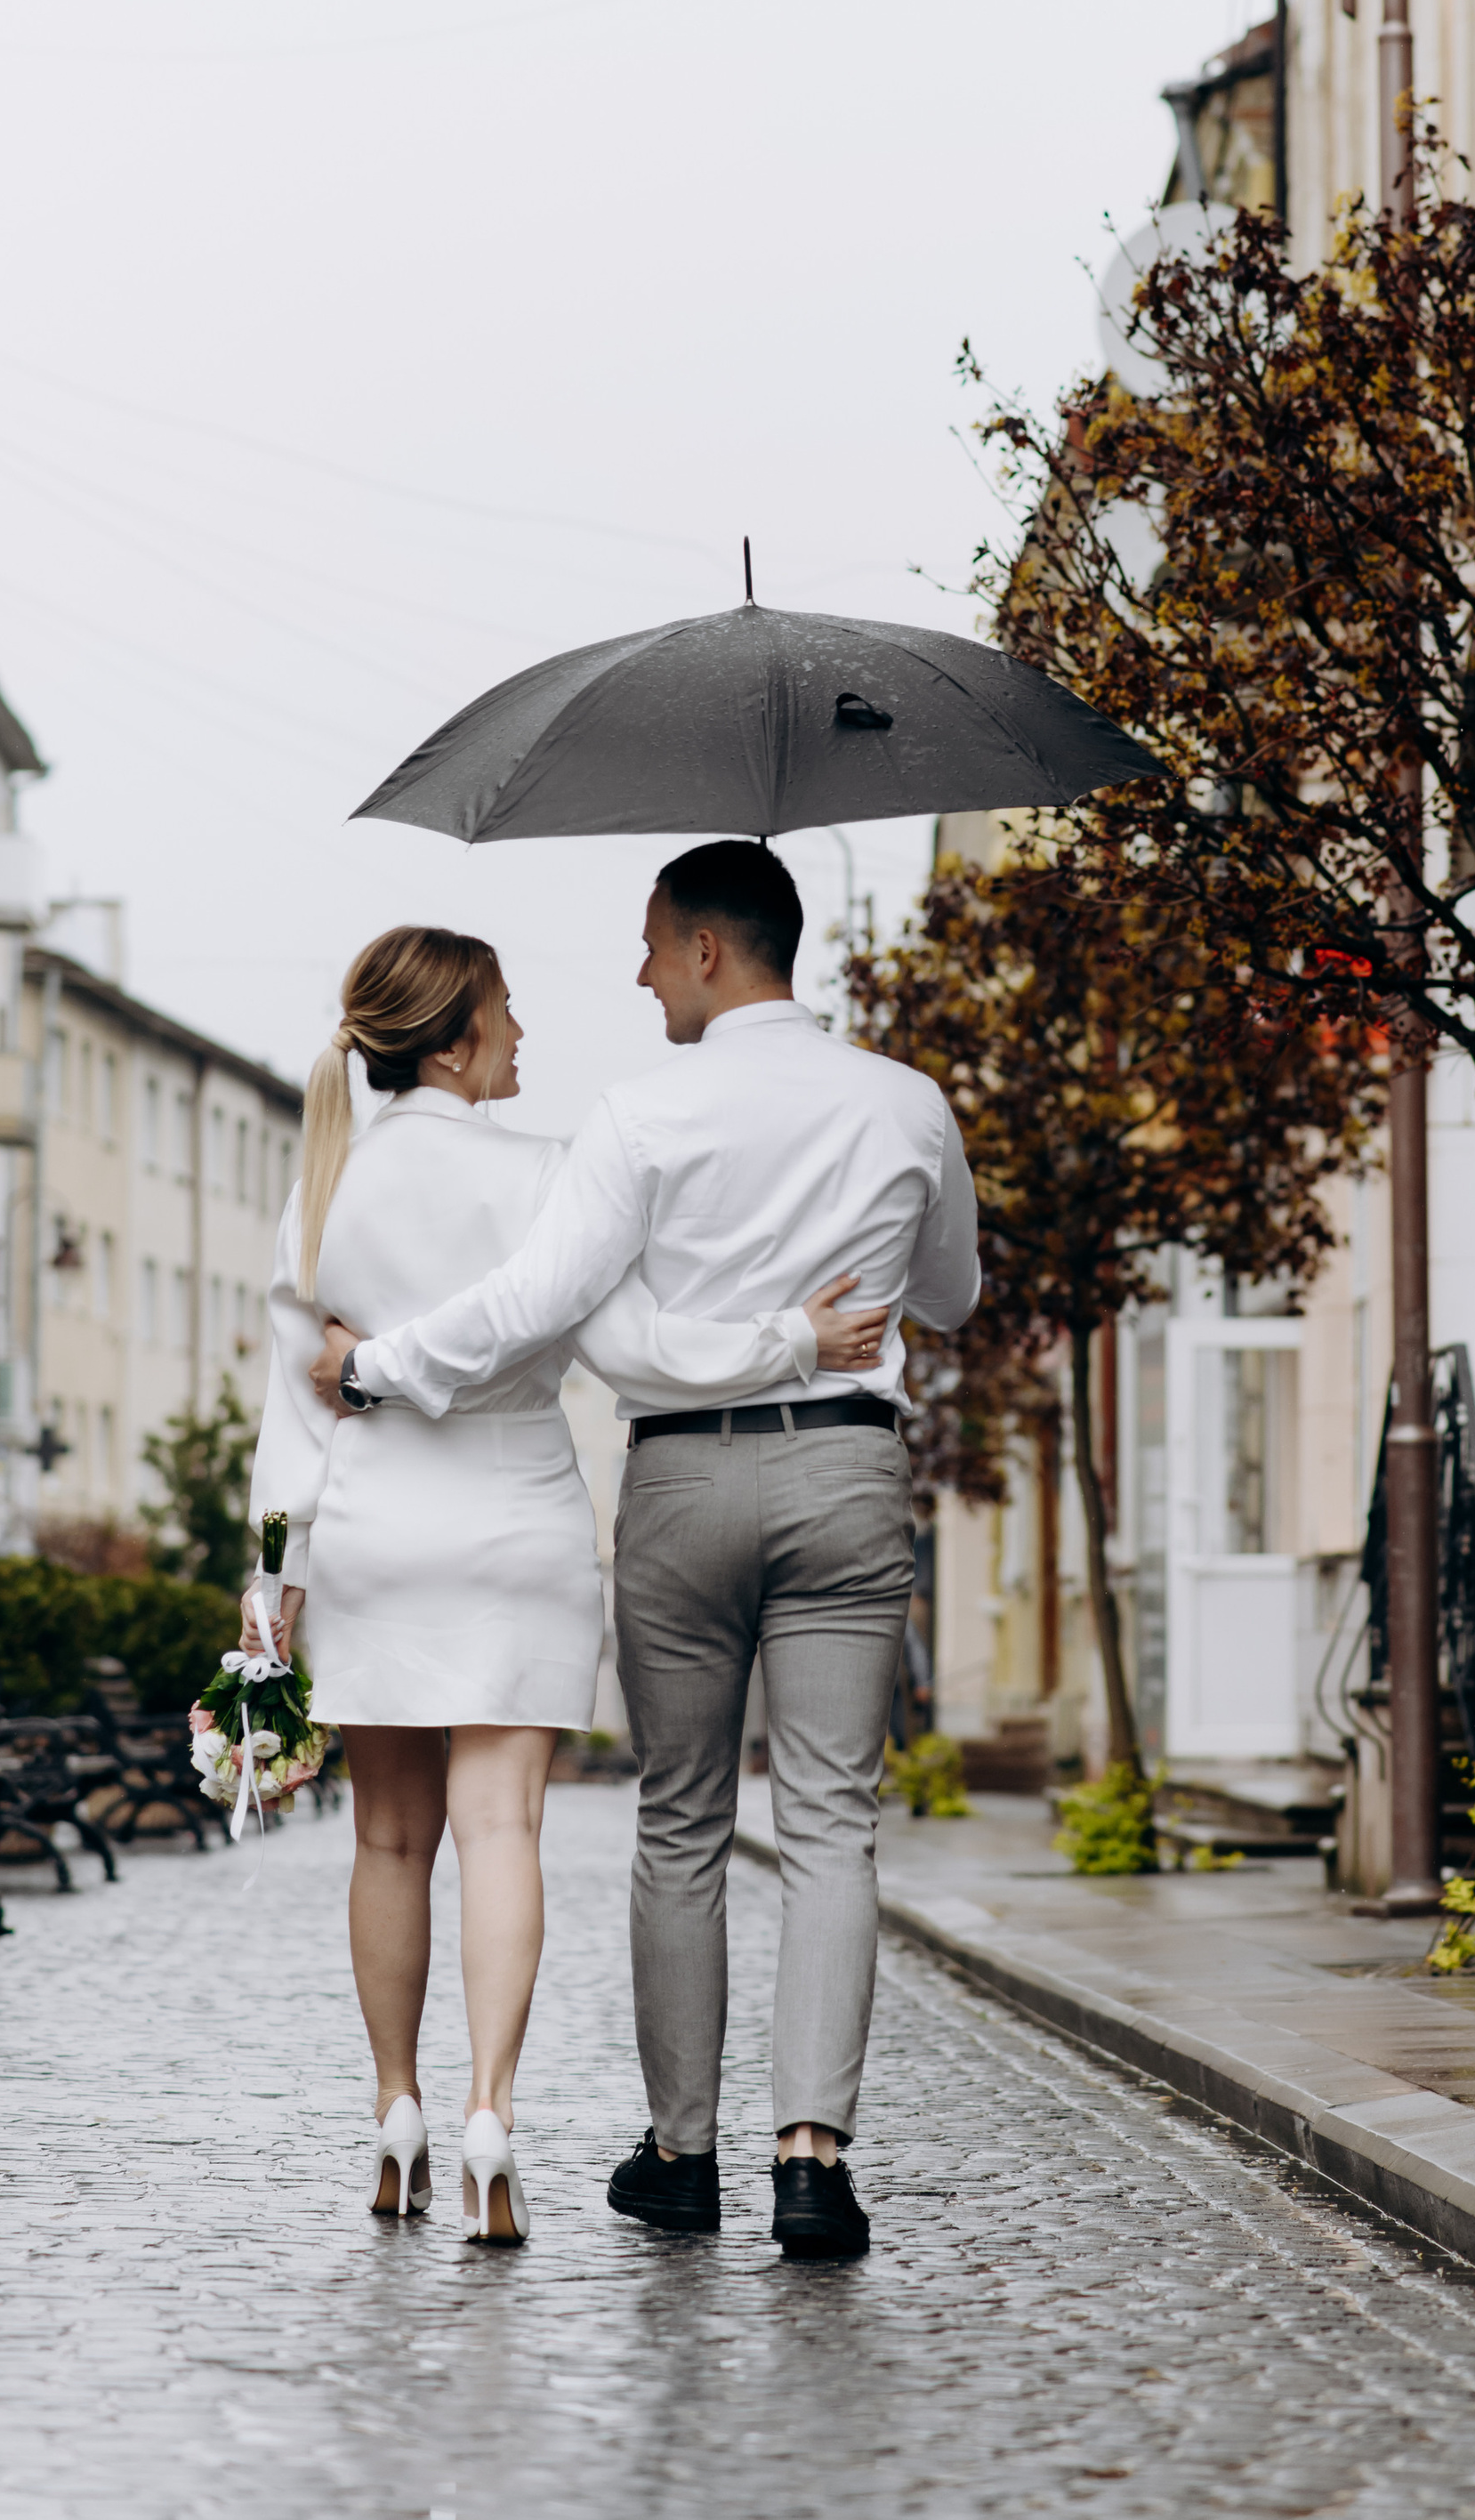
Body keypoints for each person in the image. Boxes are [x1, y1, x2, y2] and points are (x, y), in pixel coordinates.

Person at [311, 840, 979, 2263]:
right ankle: (812, 2158)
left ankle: (682, 2157)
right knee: (830, 1824)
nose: (635, 971)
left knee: (680, 1819)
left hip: (680, 1480)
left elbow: (543, 1306)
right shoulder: (909, 1104)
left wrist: (376, 1367)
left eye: (649, 943)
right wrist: (827, 1304)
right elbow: (955, 1292)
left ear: (706, 953)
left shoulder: (639, 1116)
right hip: (848, 1471)